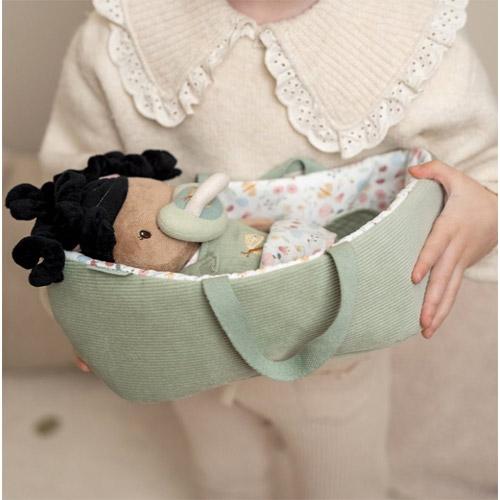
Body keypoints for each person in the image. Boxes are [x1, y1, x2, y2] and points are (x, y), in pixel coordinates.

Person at [40, 0, 497, 498]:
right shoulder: (123, 31)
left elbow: (484, 166)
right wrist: (88, 307)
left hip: (335, 356)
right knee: (225, 477)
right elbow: (73, 193)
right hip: (186, 349)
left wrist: (485, 208)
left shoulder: (409, 32)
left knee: (345, 482)